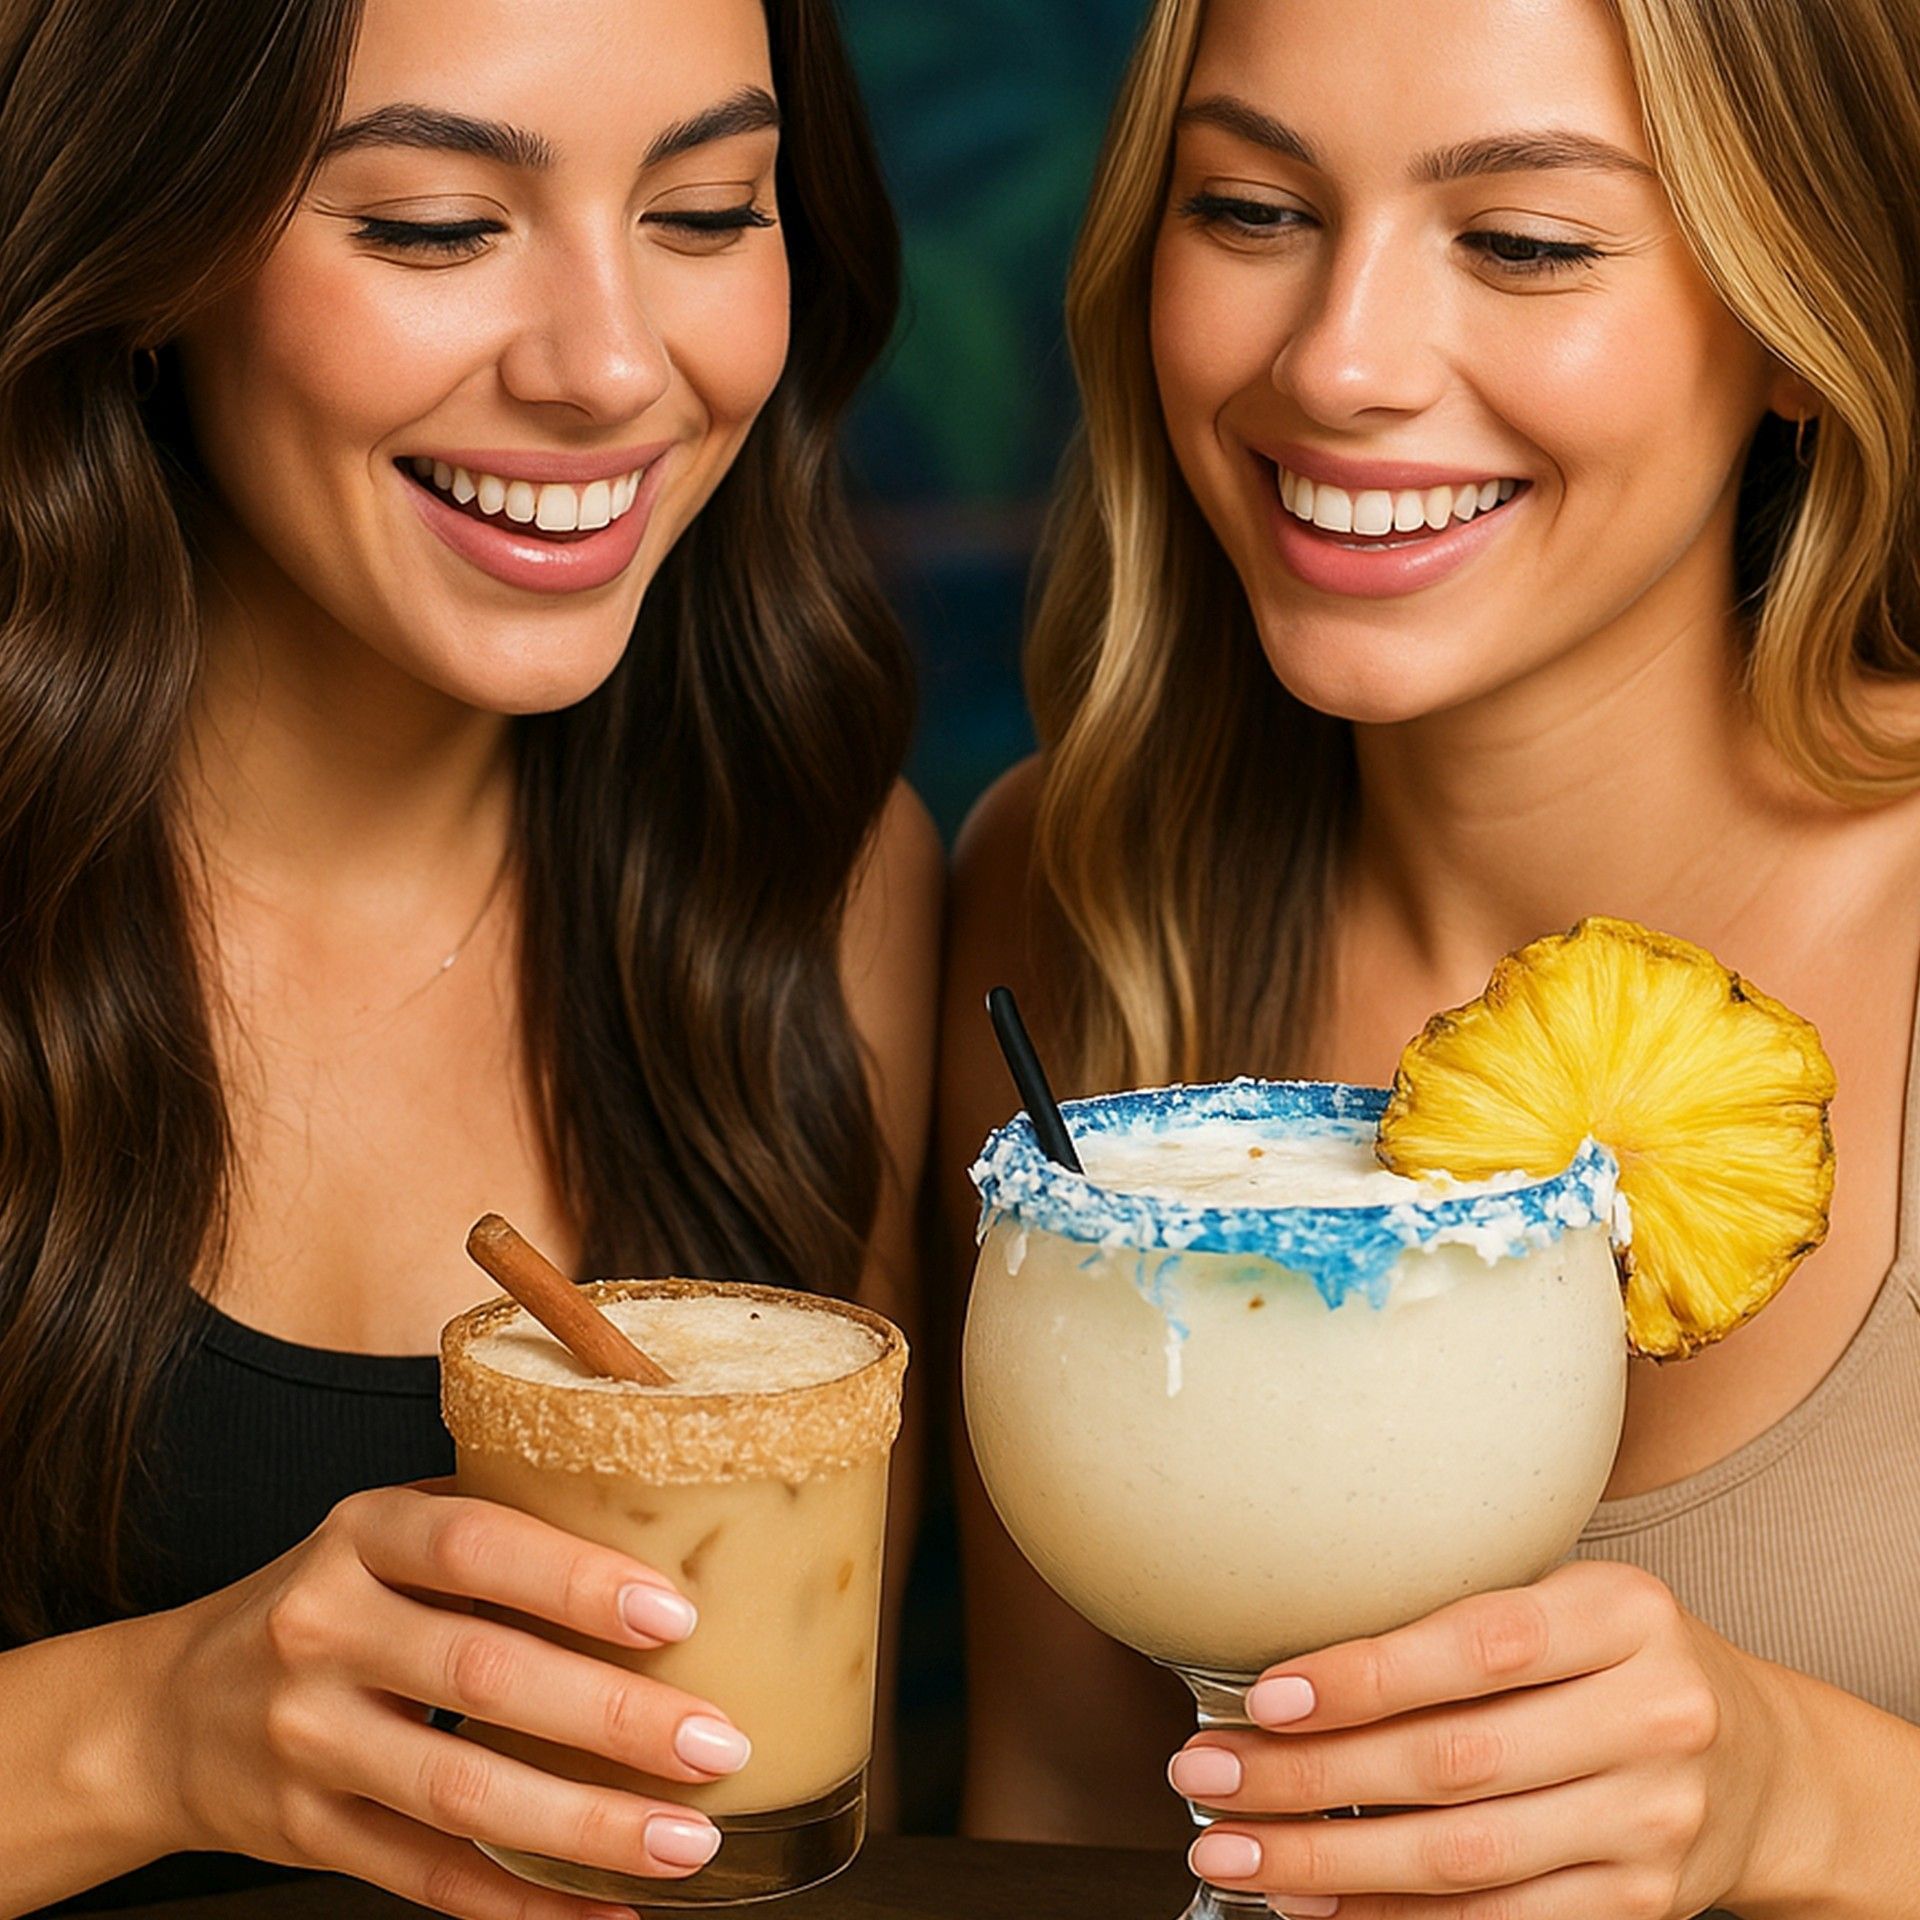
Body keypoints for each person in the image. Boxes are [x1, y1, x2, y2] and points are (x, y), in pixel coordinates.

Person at [941, 0, 1920, 1911]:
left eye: (1528, 242)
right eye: (1249, 210)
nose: (1345, 361)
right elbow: (1064, 1827)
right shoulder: (1068, 905)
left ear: (1795, 321)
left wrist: (1798, 1796)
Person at [0, 0, 940, 1911]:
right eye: (434, 226)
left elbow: (826, 1822)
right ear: (154, 242)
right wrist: (147, 1733)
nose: (609, 368)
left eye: (706, 212)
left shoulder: (823, 885)